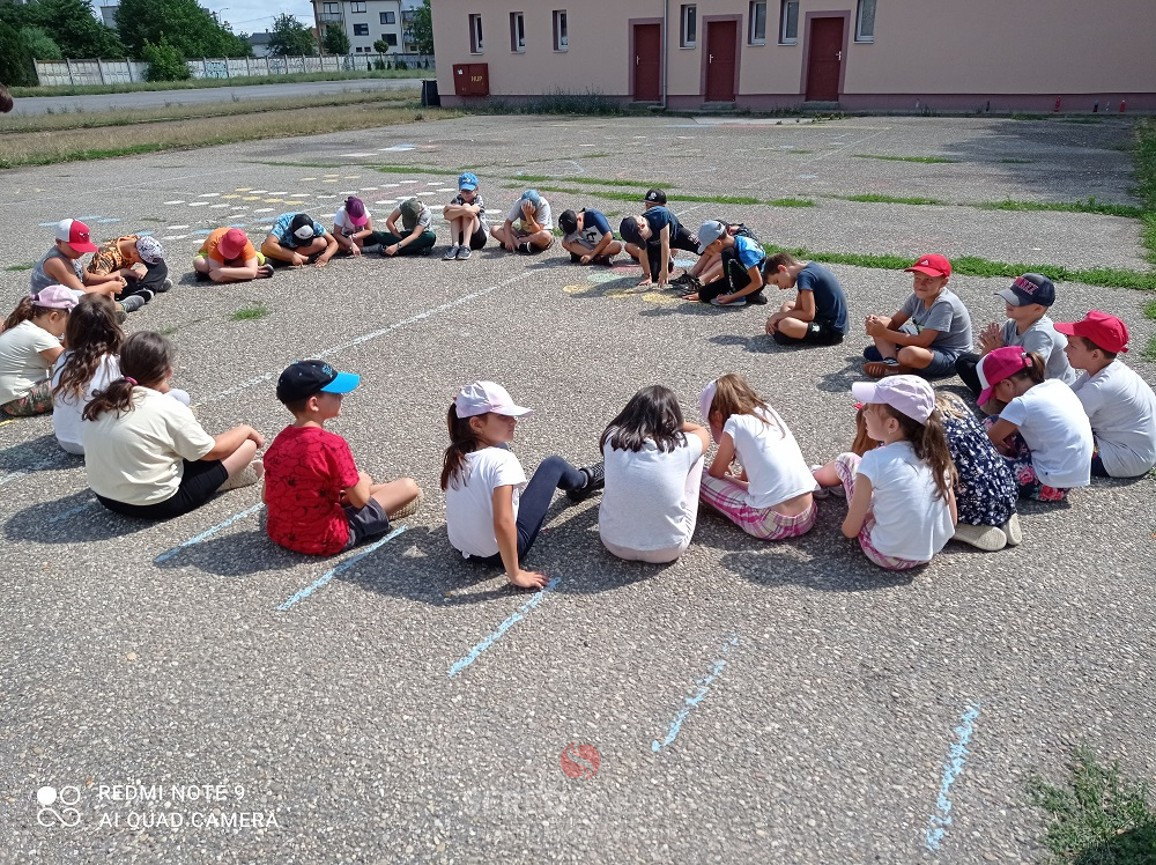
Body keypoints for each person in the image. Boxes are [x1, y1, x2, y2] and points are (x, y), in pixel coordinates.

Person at [83, 331, 265, 519]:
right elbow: (212, 452)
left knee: (171, 446)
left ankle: (214, 479)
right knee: (247, 446)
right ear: (169, 371)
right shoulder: (167, 407)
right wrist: (245, 430)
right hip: (157, 504)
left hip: (107, 499)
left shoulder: (105, 400)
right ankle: (221, 482)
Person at [441, 381, 603, 589]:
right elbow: (503, 522)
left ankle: (582, 482)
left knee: (501, 455)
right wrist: (515, 574)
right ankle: (583, 482)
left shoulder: (457, 453)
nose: (513, 421)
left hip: (461, 547)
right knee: (553, 465)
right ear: (476, 424)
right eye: (503, 416)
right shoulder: (501, 461)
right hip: (497, 555)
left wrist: (464, 404)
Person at [263, 360, 422, 555]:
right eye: (335, 393)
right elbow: (360, 500)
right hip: (327, 538)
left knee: (340, 490)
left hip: (279, 533)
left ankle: (380, 502)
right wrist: (363, 480)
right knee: (409, 487)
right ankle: (385, 511)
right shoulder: (332, 444)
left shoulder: (280, 440)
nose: (342, 396)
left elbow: (266, 497)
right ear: (314, 403)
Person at [813, 376, 957, 570]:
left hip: (887, 555)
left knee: (847, 460)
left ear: (892, 425)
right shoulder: (937, 456)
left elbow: (850, 531)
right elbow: (952, 520)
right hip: (929, 551)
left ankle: (813, 478)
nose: (864, 413)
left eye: (870, 410)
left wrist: (865, 517)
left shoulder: (874, 460)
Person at [597, 386, 710, 563]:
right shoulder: (682, 445)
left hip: (613, 543)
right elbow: (702, 432)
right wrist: (674, 423)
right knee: (697, 455)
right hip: (668, 549)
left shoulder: (611, 438)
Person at [698, 374, 816, 541]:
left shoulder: (734, 423)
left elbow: (715, 473)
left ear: (717, 415)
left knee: (700, 476)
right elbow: (755, 460)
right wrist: (738, 480)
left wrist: (726, 478)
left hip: (769, 523)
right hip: (807, 516)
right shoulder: (767, 410)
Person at [977, 346, 1093, 502]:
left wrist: (996, 445)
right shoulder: (1057, 385)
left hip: (1046, 484)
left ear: (1007, 384)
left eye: (993, 392)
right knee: (995, 422)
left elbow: (983, 443)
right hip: (1067, 479)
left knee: (976, 460)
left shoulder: (1021, 404)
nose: (995, 398)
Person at [1056, 311, 1156, 479]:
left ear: (1095, 354)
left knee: (1048, 442)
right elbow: (1066, 396)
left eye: (1072, 345)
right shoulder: (1105, 369)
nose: (1065, 349)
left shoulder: (1101, 387)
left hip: (1125, 458)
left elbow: (1059, 418)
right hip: (1139, 450)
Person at [955, 273, 1077, 401]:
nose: (1009, 303)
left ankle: (1000, 403)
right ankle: (996, 399)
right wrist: (990, 351)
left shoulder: (1041, 334)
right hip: (1018, 379)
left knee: (992, 379)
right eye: (1010, 297)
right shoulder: (1012, 324)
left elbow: (1030, 376)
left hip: (1045, 392)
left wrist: (997, 353)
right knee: (965, 361)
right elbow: (988, 364)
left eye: (1018, 301)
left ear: (1038, 309)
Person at [862, 253, 973, 379]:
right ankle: (891, 362)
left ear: (943, 282)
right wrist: (875, 324)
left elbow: (923, 341)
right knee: (882, 322)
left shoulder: (944, 304)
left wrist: (883, 333)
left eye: (929, 280)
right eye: (917, 278)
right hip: (927, 343)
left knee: (907, 353)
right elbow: (894, 323)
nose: (921, 284)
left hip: (949, 355)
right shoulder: (917, 297)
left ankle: (901, 361)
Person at [935, 391, 1021, 551]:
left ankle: (962, 526)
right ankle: (1006, 514)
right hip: (1005, 491)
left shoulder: (925, 425)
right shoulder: (952, 400)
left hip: (974, 504)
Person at [51, 294, 124, 454]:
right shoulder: (112, 361)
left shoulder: (63, 357)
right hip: (100, 442)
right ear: (111, 327)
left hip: (65, 440)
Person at [31, 219, 144, 314]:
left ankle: (113, 309)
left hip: (66, 300)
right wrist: (109, 286)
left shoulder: (71, 256)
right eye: (75, 248)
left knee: (102, 294)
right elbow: (81, 292)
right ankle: (117, 308)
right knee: (98, 298)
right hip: (49, 309)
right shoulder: (56, 262)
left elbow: (87, 278)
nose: (80, 252)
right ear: (59, 242)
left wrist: (109, 278)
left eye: (83, 248)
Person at [0, 286, 75, 417]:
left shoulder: (27, 327)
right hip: (19, 401)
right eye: (69, 322)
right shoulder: (39, 336)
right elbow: (70, 361)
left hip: (9, 399)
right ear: (53, 317)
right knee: (80, 378)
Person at [763, 252, 849, 346]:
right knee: (787, 305)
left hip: (832, 330)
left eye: (777, 281)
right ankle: (790, 332)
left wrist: (777, 316)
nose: (779, 287)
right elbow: (798, 308)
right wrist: (780, 317)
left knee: (785, 324)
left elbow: (808, 315)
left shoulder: (805, 277)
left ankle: (790, 334)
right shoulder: (809, 268)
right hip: (825, 317)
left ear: (782, 269)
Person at [681, 220, 767, 306]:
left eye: (709, 248)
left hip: (755, 284)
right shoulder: (736, 241)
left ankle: (740, 297)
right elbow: (729, 275)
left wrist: (732, 297)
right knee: (704, 294)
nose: (708, 251)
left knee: (727, 254)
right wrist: (704, 293)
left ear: (718, 242)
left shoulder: (745, 253)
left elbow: (758, 282)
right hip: (747, 279)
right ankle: (743, 294)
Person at [619, 199, 698, 288]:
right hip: (656, 245)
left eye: (643, 238)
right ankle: (669, 258)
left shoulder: (660, 215)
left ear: (643, 226)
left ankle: (673, 254)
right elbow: (643, 251)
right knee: (655, 276)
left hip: (676, 236)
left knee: (702, 248)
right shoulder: (640, 231)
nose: (644, 240)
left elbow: (665, 242)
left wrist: (664, 269)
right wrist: (648, 275)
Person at [86, 234, 172, 303]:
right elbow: (100, 280)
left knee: (159, 267)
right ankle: (146, 288)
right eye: (142, 261)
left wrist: (133, 272)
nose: (143, 263)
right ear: (134, 253)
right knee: (121, 284)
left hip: (124, 276)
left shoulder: (136, 241)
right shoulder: (106, 255)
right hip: (106, 282)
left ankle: (148, 286)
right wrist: (124, 271)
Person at [193, 227, 274, 283]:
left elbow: (252, 272)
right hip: (209, 257)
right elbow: (215, 273)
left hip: (236, 260)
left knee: (258, 259)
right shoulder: (215, 242)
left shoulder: (246, 244)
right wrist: (249, 274)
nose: (225, 254)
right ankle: (244, 273)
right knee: (200, 263)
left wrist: (223, 271)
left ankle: (241, 273)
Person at [261, 212, 338, 267]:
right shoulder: (283, 223)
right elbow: (269, 244)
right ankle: (305, 259)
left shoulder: (314, 224)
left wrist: (326, 256)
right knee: (265, 248)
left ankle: (283, 260)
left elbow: (333, 242)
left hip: (299, 250)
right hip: (283, 247)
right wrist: (292, 256)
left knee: (322, 242)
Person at [490, 189, 554, 254]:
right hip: (523, 233)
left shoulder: (543, 205)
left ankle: (517, 244)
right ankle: (522, 246)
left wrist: (528, 215)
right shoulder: (519, 202)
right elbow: (507, 223)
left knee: (545, 236)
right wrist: (508, 239)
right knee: (494, 229)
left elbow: (536, 231)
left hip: (537, 236)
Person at [442, 172, 488, 260]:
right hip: (461, 237)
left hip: (478, 238)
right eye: (463, 191)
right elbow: (447, 216)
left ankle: (466, 246)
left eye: (469, 191)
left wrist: (449, 207)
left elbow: (472, 211)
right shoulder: (457, 199)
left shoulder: (478, 199)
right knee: (456, 214)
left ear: (476, 189)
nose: (466, 194)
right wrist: (456, 210)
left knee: (466, 208)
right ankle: (455, 245)